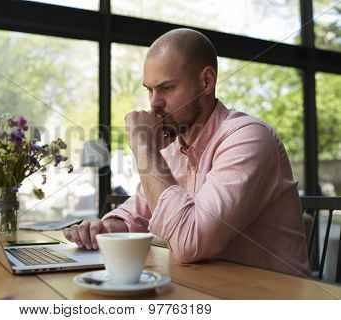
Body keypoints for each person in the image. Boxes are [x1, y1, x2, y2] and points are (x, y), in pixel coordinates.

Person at [63, 28, 310, 277]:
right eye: (150, 89)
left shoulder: (249, 138)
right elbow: (138, 212)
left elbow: (191, 242)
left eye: (167, 88)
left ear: (206, 82)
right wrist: (105, 228)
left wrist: (143, 144)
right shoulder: (174, 147)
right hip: (207, 286)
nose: (154, 103)